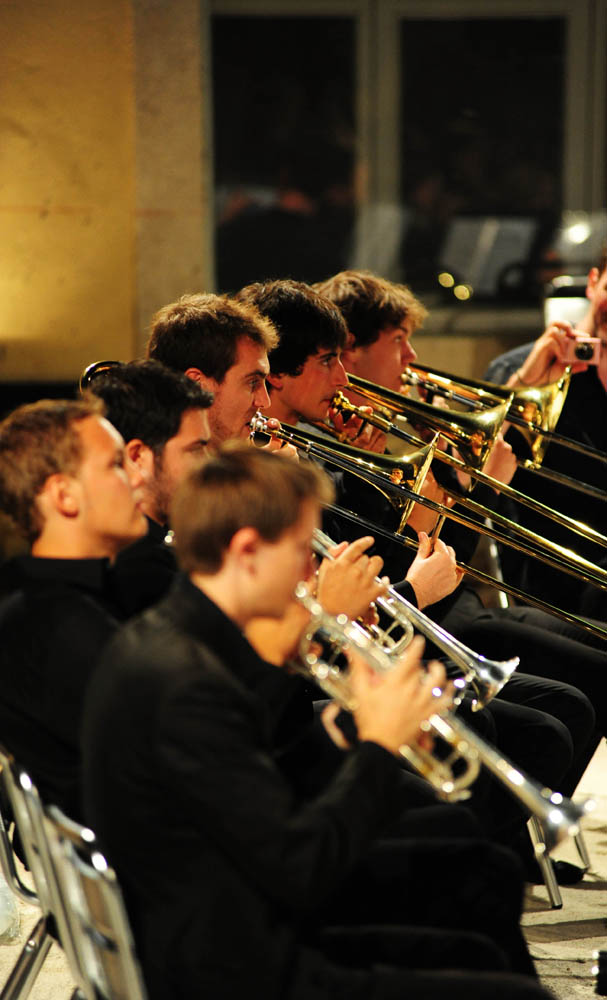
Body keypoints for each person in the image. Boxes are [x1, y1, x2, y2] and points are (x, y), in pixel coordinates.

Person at [82, 443, 551, 1000]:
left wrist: (346, 728)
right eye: (304, 550)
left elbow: (267, 784)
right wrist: (378, 745)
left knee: (482, 877)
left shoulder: (182, 636)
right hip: (235, 966)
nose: (315, 572)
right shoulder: (185, 681)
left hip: (239, 913)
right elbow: (303, 868)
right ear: (247, 551)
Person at [240, 275, 596, 876]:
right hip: (384, 640)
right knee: (541, 719)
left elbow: (399, 561)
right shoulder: (283, 459)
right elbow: (374, 576)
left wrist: (437, 507)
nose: (410, 358)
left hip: (412, 620)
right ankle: (487, 864)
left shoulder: (322, 440)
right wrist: (454, 510)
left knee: (564, 702)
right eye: (330, 360)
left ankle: (496, 859)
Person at [0, 398, 146, 820]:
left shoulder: (50, 601)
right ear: (64, 495)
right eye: (116, 464)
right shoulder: (60, 625)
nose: (139, 476)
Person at [483, 246, 607, 622]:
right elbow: (476, 462)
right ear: (592, 283)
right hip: (555, 578)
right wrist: (525, 381)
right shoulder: (518, 368)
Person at [84, 360, 213, 617]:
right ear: (137, 457)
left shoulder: (157, 548)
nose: (208, 463)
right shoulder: (142, 572)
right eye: (195, 450)